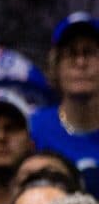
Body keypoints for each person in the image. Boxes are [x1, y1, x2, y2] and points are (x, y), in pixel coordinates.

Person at [26, 14, 99, 192]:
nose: (81, 63)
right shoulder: (33, 128)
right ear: (55, 66)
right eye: (71, 54)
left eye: (89, 53)